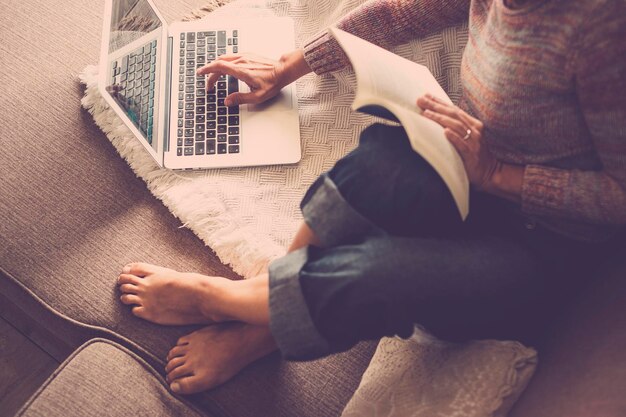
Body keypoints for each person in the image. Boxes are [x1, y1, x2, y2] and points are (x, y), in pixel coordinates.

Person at [117, 0, 626, 395]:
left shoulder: (603, 33)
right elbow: (399, 13)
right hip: (474, 174)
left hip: (546, 251)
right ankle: (275, 309)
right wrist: (286, 68)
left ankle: (218, 298)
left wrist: (499, 174)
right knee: (386, 152)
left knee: (380, 270)